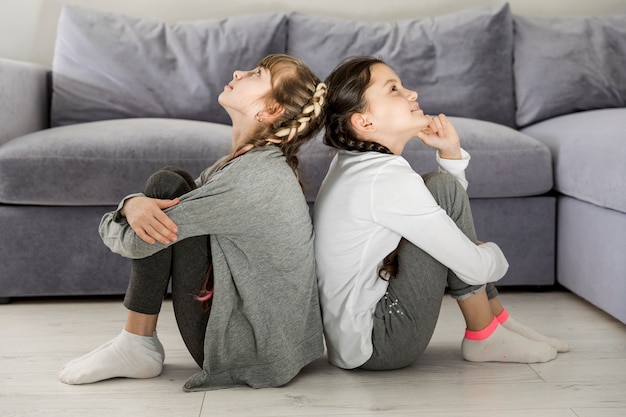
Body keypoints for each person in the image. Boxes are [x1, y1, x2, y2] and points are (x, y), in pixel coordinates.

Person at [58, 54, 327, 389]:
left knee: (165, 186)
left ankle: (136, 343)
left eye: (257, 74)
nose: (238, 72)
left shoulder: (251, 179)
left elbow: (136, 242)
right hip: (273, 348)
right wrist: (133, 205)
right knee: (173, 184)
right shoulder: (246, 165)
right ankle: (134, 342)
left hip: (249, 352)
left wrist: (128, 208)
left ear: (270, 111)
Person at [313, 56, 568, 371]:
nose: (412, 93)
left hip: (353, 342)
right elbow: (472, 265)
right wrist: (491, 254)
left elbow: (444, 215)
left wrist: (450, 154)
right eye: (393, 89)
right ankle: (484, 334)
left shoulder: (354, 164)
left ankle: (498, 321)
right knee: (444, 192)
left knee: (441, 190)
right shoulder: (385, 178)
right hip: (382, 341)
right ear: (364, 122)